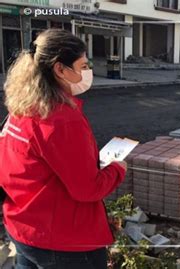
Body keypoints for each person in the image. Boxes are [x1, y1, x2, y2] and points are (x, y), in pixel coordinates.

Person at [0, 29, 127, 269]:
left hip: (23, 228)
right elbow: (88, 189)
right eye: (83, 65)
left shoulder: (21, 107)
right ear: (60, 69)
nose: (88, 72)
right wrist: (118, 169)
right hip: (65, 242)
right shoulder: (62, 119)